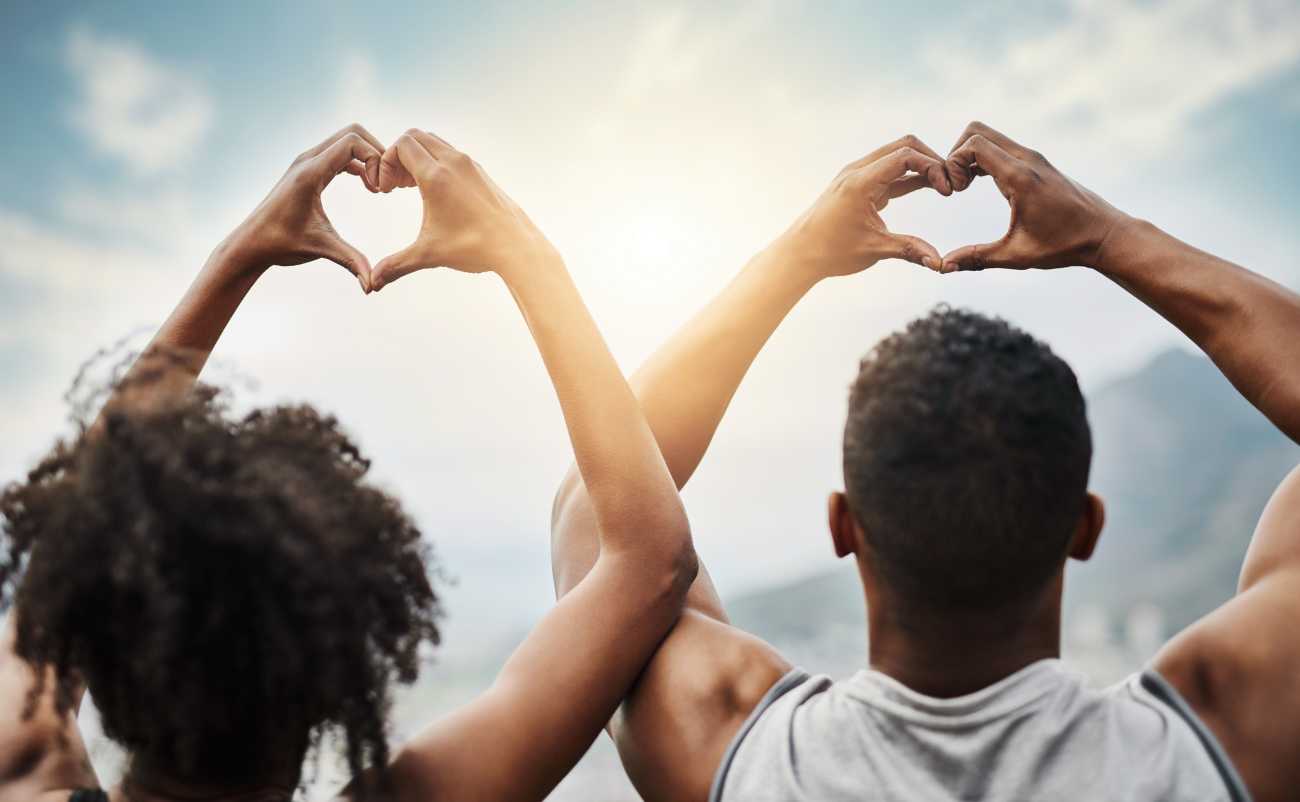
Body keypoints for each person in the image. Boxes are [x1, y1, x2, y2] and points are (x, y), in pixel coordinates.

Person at [551, 123, 1300, 802]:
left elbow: (600, 499)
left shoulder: (735, 748)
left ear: (843, 525)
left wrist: (794, 260)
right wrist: (1105, 237)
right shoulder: (1216, 738)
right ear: (1084, 526)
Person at [0, 124, 697, 802]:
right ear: (338, 680)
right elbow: (650, 561)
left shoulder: (20, 764)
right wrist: (525, 256)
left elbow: (77, 536)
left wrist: (239, 255)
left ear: (98, 636)